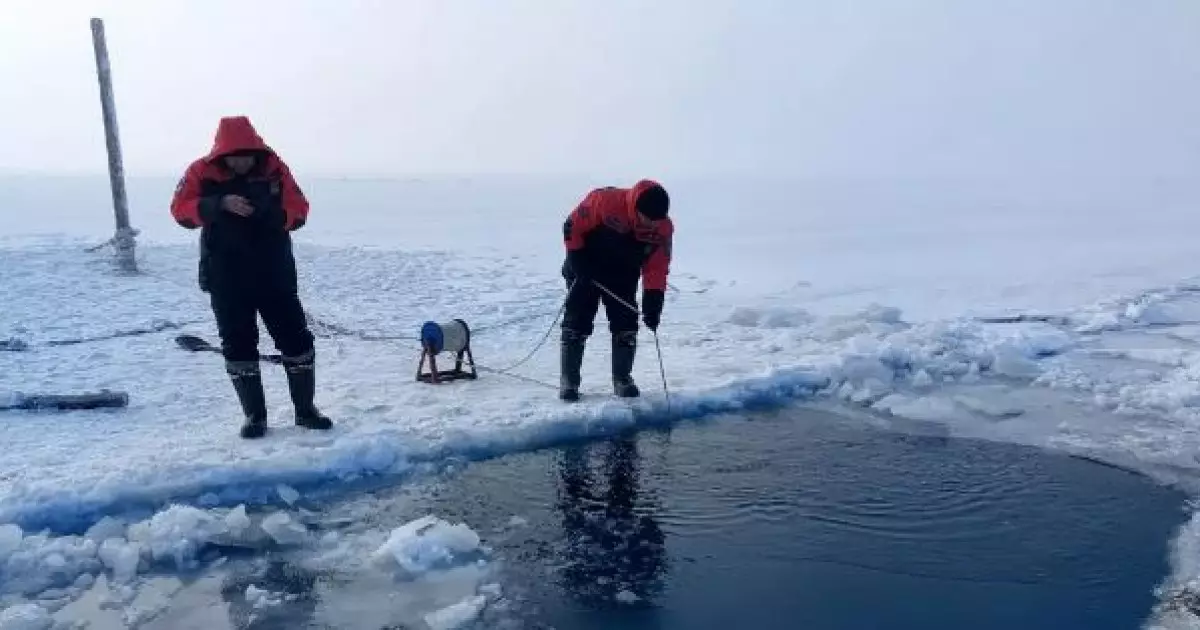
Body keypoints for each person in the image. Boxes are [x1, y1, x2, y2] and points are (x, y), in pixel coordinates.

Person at [169, 116, 332, 438]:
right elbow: (180, 211)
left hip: (274, 271)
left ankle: (306, 411)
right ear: (222, 154)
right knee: (238, 343)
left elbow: (299, 210)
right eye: (234, 156)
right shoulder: (200, 171)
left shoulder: (275, 168)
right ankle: (254, 417)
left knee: (296, 339)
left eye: (246, 155)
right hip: (226, 275)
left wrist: (269, 213)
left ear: (256, 151)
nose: (240, 161)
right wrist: (218, 204)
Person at [559, 179, 673, 401]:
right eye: (647, 219)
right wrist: (578, 263)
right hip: (586, 266)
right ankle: (569, 382)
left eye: (656, 221)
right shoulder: (605, 201)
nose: (651, 225)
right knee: (576, 323)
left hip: (623, 274)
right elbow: (571, 226)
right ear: (636, 209)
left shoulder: (663, 228)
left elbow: (658, 266)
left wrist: (654, 300)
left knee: (627, 325)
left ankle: (622, 379)